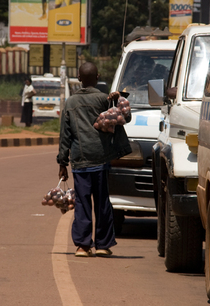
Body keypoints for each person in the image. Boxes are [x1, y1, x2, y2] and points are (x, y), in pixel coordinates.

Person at [57, 62, 132, 257]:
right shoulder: (104, 99)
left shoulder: (70, 103)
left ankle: (82, 246)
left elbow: (65, 135)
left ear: (79, 78)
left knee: (82, 202)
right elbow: (124, 118)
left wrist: (62, 162)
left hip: (80, 160)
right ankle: (103, 245)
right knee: (102, 202)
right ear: (97, 77)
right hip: (101, 160)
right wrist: (118, 100)